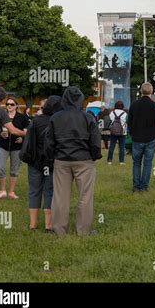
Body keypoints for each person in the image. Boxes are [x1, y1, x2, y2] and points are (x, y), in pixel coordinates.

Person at [44, 86, 102, 236]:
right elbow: (95, 141)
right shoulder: (87, 117)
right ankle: (83, 231)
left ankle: (59, 230)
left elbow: (49, 142)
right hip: (84, 159)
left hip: (61, 159)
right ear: (81, 100)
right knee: (85, 196)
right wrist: (94, 156)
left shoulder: (56, 117)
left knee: (60, 197)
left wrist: (52, 158)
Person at [27, 95, 62, 232]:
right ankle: (48, 225)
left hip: (35, 161)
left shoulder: (35, 121)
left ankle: (32, 225)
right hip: (51, 161)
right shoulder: (57, 122)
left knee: (34, 191)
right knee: (49, 191)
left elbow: (29, 142)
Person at [128, 82, 155, 192]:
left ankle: (135, 186)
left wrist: (132, 134)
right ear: (152, 92)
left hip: (137, 138)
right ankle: (143, 186)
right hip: (151, 138)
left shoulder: (134, 105)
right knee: (148, 163)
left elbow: (129, 122)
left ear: (141, 91)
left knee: (136, 163)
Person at [0, 96, 30, 199]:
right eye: (7, 104)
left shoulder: (22, 118)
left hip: (17, 147)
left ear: (16, 106)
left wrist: (22, 139)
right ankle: (2, 190)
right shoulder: (2, 116)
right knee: (0, 168)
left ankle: (11, 192)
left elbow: (27, 133)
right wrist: (1, 134)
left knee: (14, 170)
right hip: (3, 146)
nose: (9, 106)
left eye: (12, 104)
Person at [107, 100, 128, 165]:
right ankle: (121, 161)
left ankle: (109, 161)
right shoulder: (125, 113)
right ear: (122, 106)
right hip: (122, 131)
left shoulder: (112, 112)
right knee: (121, 147)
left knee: (112, 146)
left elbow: (110, 120)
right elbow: (126, 121)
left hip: (113, 131)